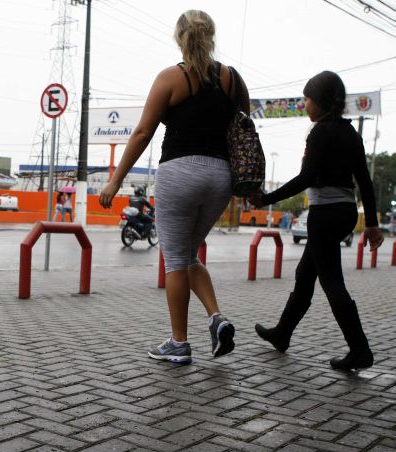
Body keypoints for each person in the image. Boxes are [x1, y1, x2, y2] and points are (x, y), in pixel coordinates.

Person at [99, 10, 247, 364]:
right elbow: (244, 128)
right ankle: (217, 318)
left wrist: (116, 179)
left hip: (180, 172)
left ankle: (179, 343)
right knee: (189, 253)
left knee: (175, 262)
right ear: (211, 36)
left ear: (179, 38)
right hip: (220, 177)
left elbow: (143, 132)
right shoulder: (232, 79)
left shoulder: (171, 77)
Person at [250, 71, 384, 371]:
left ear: (321, 102)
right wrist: (372, 224)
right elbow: (364, 180)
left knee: (332, 282)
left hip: (324, 214)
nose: (305, 106)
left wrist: (267, 198)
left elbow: (306, 177)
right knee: (305, 274)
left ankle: (360, 350)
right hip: (346, 212)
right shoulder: (351, 133)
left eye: (307, 100)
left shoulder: (320, 132)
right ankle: (282, 334)